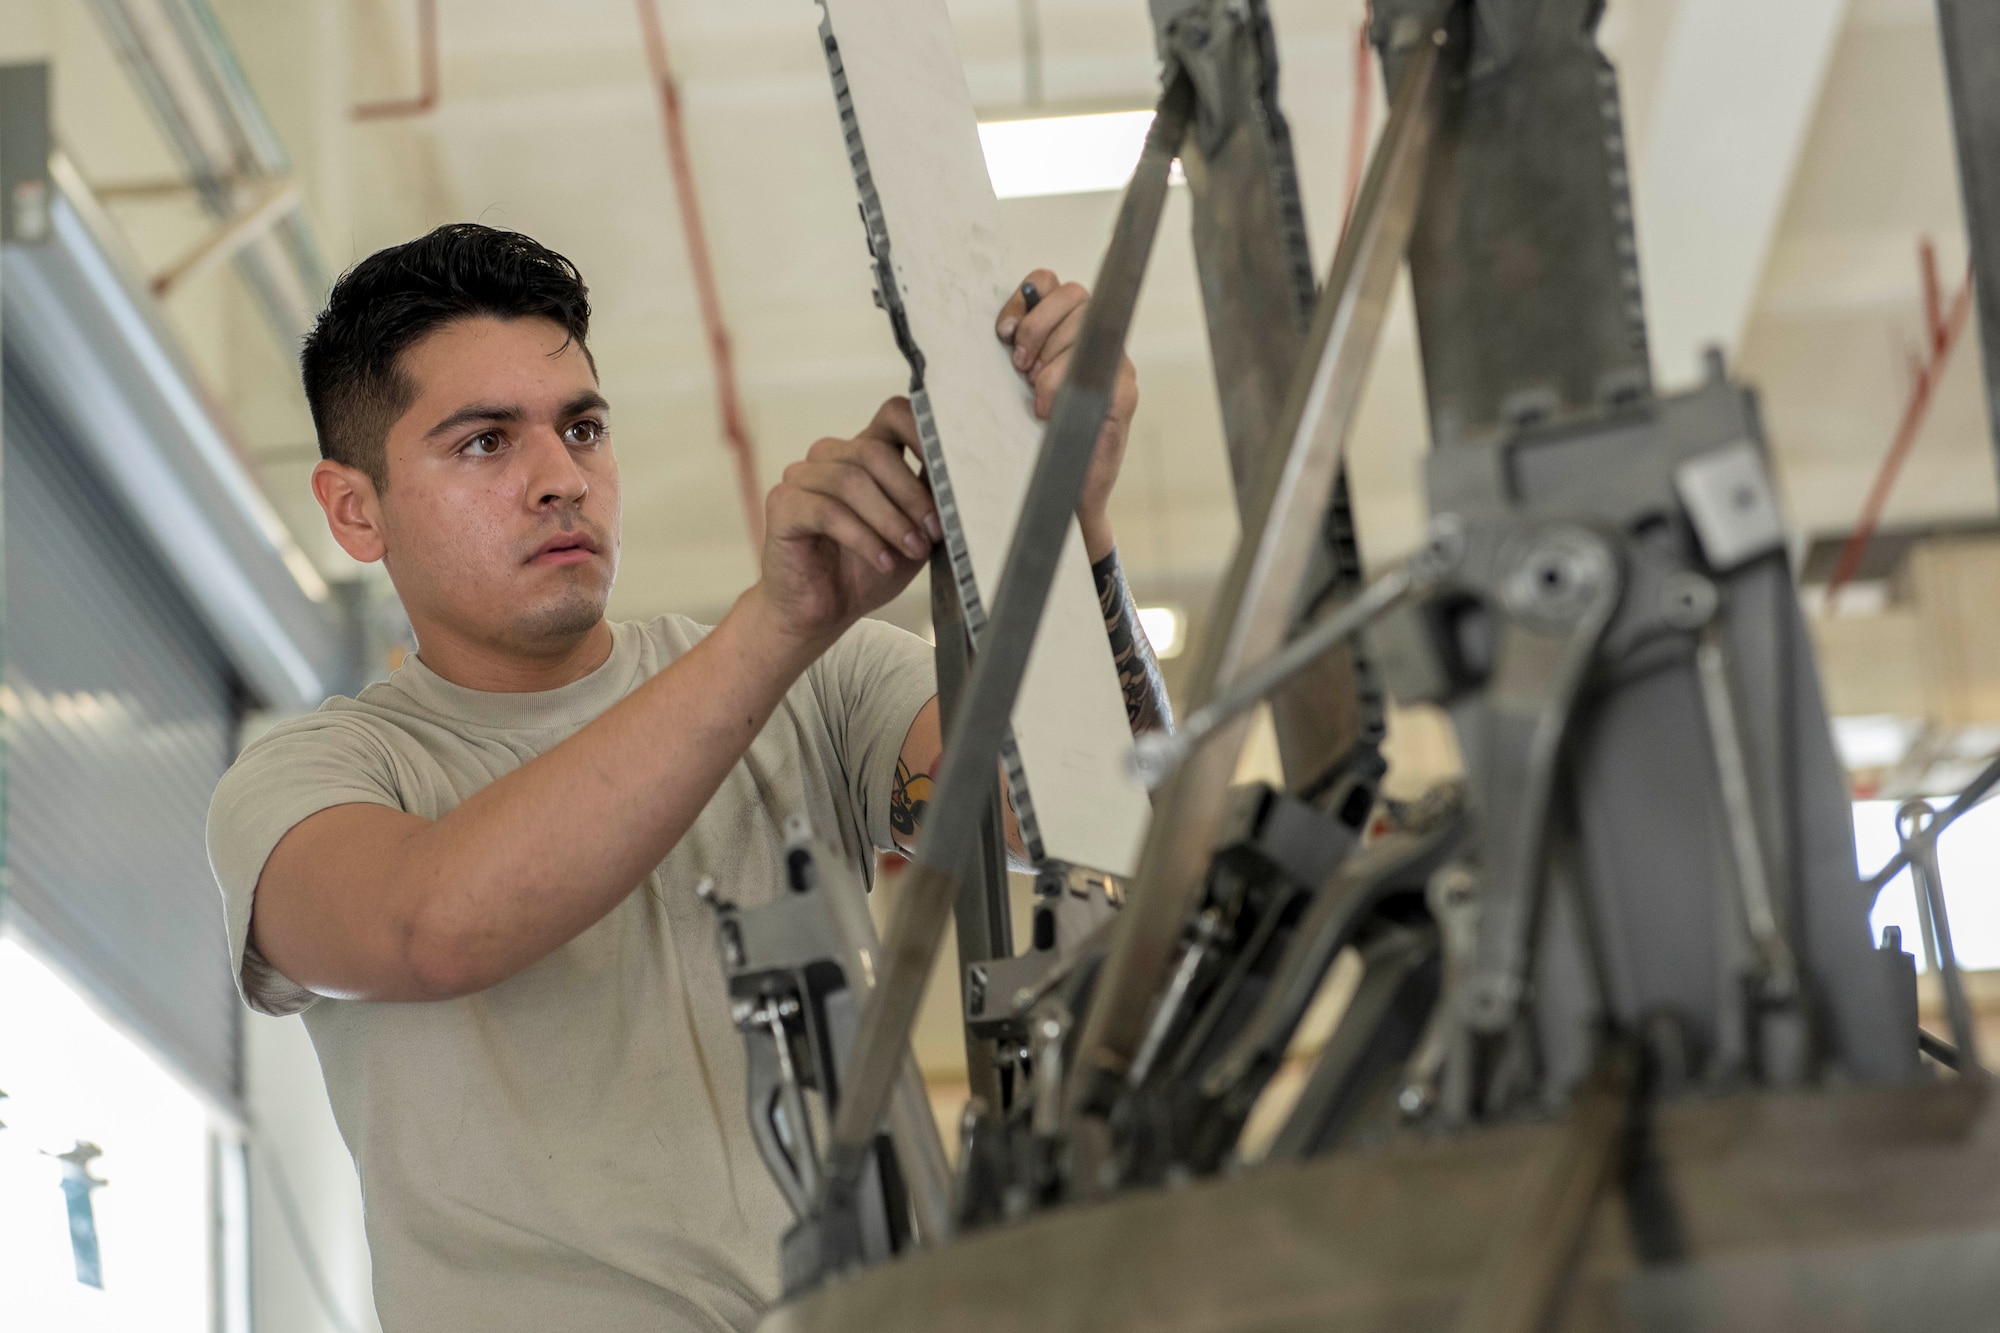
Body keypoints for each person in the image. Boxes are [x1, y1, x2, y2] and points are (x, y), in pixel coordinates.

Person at [206, 222, 1170, 1332]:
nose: (560, 480)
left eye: (582, 428)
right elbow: (431, 927)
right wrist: (777, 626)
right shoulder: (313, 777)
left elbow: (1099, 802)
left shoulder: (824, 684)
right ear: (352, 508)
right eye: (483, 443)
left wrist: (1074, 514)